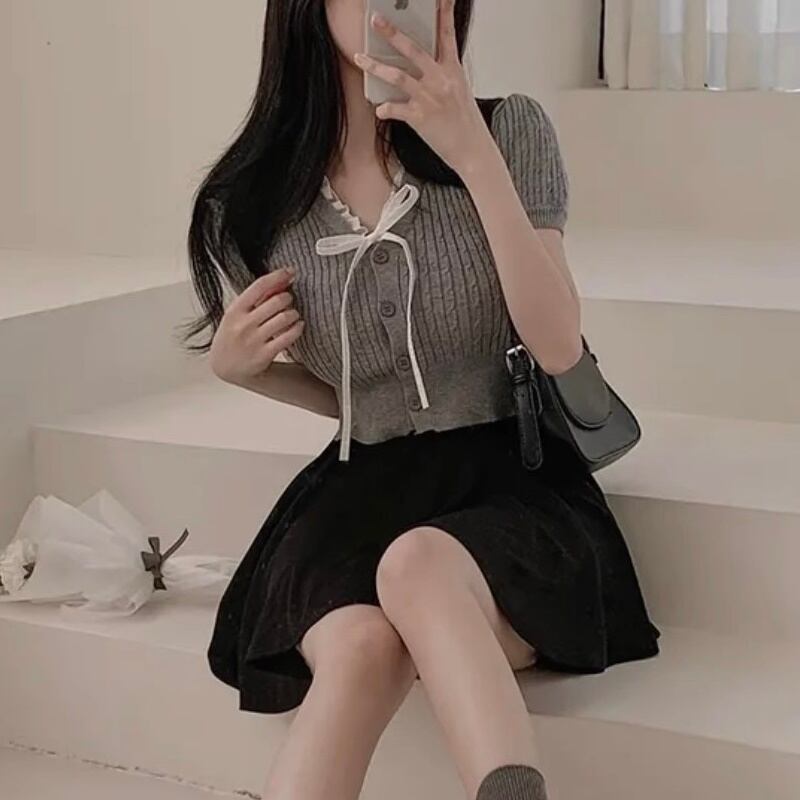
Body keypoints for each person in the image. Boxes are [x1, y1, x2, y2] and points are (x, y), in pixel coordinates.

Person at [181, 2, 661, 799]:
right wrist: (249, 373)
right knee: (360, 646)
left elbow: (557, 345)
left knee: (419, 567)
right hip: (358, 492)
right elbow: (362, 394)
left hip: (509, 480)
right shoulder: (251, 206)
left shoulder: (508, 130)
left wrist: (472, 152)